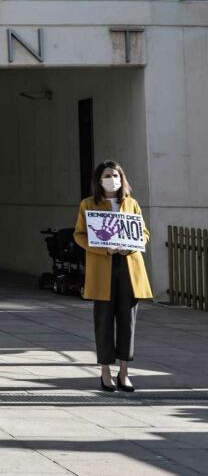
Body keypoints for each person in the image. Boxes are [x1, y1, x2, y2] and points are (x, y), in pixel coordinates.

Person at [74, 160, 151, 392]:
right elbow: (80, 235)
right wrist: (104, 249)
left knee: (128, 321)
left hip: (129, 267)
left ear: (122, 178)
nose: (112, 179)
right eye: (107, 175)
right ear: (99, 180)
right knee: (104, 321)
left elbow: (144, 233)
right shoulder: (88, 204)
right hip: (103, 266)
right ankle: (105, 371)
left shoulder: (131, 204)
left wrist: (132, 245)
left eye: (116, 175)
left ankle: (124, 372)